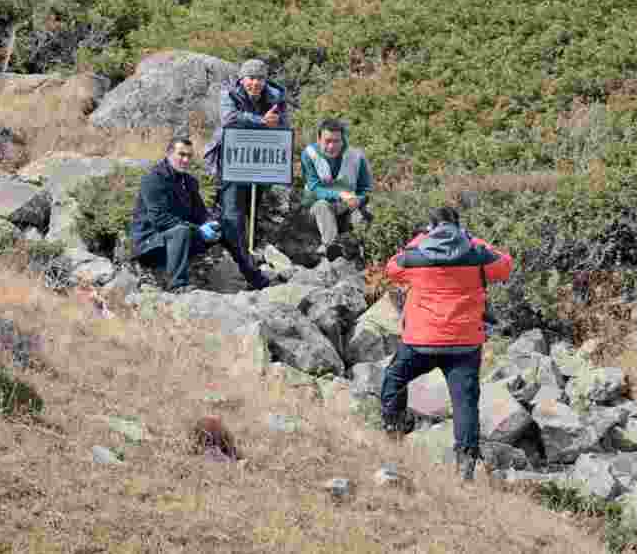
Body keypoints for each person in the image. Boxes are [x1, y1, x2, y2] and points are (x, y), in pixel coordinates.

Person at [379, 206, 513, 481]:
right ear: (459, 227)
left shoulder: (417, 255)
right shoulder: (476, 254)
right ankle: (464, 465)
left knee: (394, 377)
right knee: (464, 403)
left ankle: (393, 429)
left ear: (431, 227)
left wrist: (420, 239)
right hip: (464, 344)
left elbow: (391, 268)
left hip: (421, 340)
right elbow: (505, 264)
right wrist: (473, 240)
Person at [203, 59, 290, 289]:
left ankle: (249, 255)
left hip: (261, 158)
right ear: (242, 79)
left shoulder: (276, 97)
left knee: (252, 207)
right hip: (231, 158)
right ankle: (241, 264)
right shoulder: (228, 94)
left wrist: (276, 123)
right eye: (251, 78)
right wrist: (261, 121)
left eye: (260, 78)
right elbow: (229, 119)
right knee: (232, 211)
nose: (255, 83)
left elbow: (283, 124)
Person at [130, 137, 243, 293]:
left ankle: (253, 276)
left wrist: (211, 224)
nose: (185, 160)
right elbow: (159, 219)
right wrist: (198, 230)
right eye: (181, 154)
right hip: (151, 242)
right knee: (181, 231)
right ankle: (177, 285)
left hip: (181, 239)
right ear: (169, 154)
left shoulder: (189, 181)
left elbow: (201, 214)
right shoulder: (153, 180)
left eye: (189, 156)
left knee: (226, 225)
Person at [299, 117, 373, 259]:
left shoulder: (356, 157)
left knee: (364, 214)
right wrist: (340, 195)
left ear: (343, 139)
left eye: (336, 141)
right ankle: (332, 246)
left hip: (347, 207)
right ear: (319, 139)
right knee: (322, 206)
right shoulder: (309, 155)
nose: (331, 146)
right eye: (327, 141)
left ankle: (365, 251)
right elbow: (315, 187)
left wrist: (358, 199)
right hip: (316, 210)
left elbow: (365, 189)